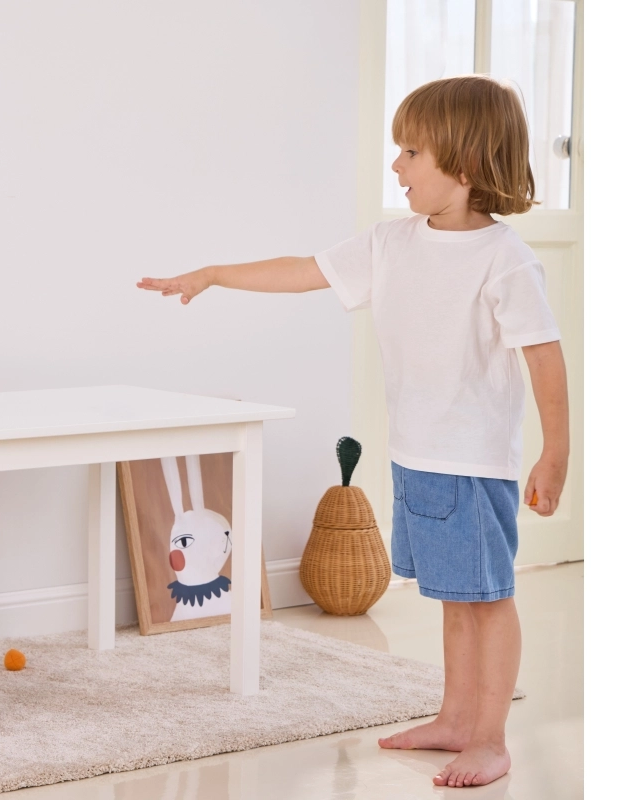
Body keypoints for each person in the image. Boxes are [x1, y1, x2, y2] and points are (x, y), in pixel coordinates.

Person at [138, 76, 568, 788]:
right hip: (416, 455)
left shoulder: (505, 259)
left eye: (412, 152)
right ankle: (456, 718)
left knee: (488, 600)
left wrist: (556, 453)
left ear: (464, 166)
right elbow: (304, 271)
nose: (397, 165)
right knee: (455, 599)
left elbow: (544, 358)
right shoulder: (391, 243)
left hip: (472, 464)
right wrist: (213, 274)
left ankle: (490, 739)